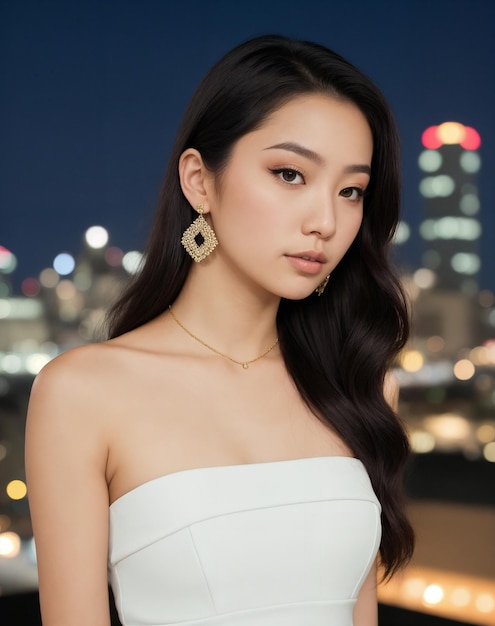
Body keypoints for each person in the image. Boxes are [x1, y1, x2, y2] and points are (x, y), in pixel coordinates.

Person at [25, 34, 414, 626]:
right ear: (199, 181)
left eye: (351, 190)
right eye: (289, 174)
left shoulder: (357, 385)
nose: (326, 221)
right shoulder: (83, 392)